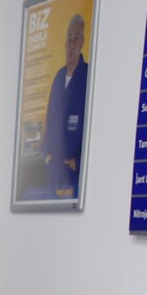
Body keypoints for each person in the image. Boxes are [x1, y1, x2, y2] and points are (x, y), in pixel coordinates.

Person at [41, 11, 88, 195]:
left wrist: (79, 161)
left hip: (74, 175)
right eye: (69, 39)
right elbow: (49, 119)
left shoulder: (88, 76)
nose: (71, 44)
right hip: (54, 171)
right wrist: (46, 154)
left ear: (82, 42)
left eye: (76, 39)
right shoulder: (59, 77)